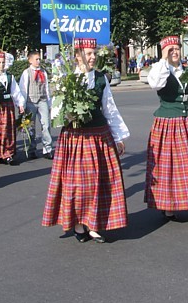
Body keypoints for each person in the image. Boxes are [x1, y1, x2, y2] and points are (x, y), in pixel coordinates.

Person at [42, 38, 129, 243]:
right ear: (78, 55)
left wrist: (119, 137)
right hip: (75, 138)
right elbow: (56, 111)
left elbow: (109, 108)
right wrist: (68, 115)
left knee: (99, 182)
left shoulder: (101, 78)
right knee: (78, 184)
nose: (93, 57)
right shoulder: (67, 78)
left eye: (94, 53)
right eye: (89, 53)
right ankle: (79, 224)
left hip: (99, 136)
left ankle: (94, 224)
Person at [145, 36, 188, 226]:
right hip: (166, 123)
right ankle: (168, 206)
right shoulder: (161, 71)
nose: (175, 52)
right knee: (167, 167)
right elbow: (155, 83)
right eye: (170, 49)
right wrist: (163, 59)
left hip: (187, 123)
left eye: (177, 48)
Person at [18, 52, 54, 159]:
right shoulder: (26, 72)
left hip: (42, 100)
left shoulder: (43, 72)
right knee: (31, 126)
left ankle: (47, 149)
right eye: (36, 59)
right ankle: (31, 149)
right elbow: (23, 89)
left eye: (39, 59)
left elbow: (46, 87)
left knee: (46, 125)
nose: (39, 61)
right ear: (30, 60)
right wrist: (22, 104)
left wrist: (49, 102)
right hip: (31, 101)